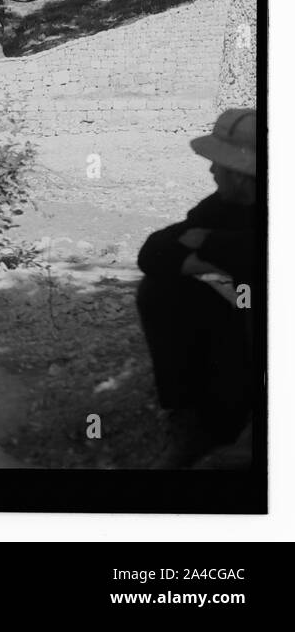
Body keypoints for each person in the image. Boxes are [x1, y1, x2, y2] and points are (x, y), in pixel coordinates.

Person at [136, 108, 258, 468]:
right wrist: (221, 253)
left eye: (219, 163)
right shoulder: (225, 206)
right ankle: (195, 423)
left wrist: (213, 246)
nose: (211, 170)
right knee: (160, 290)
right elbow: (155, 252)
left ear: (241, 175)